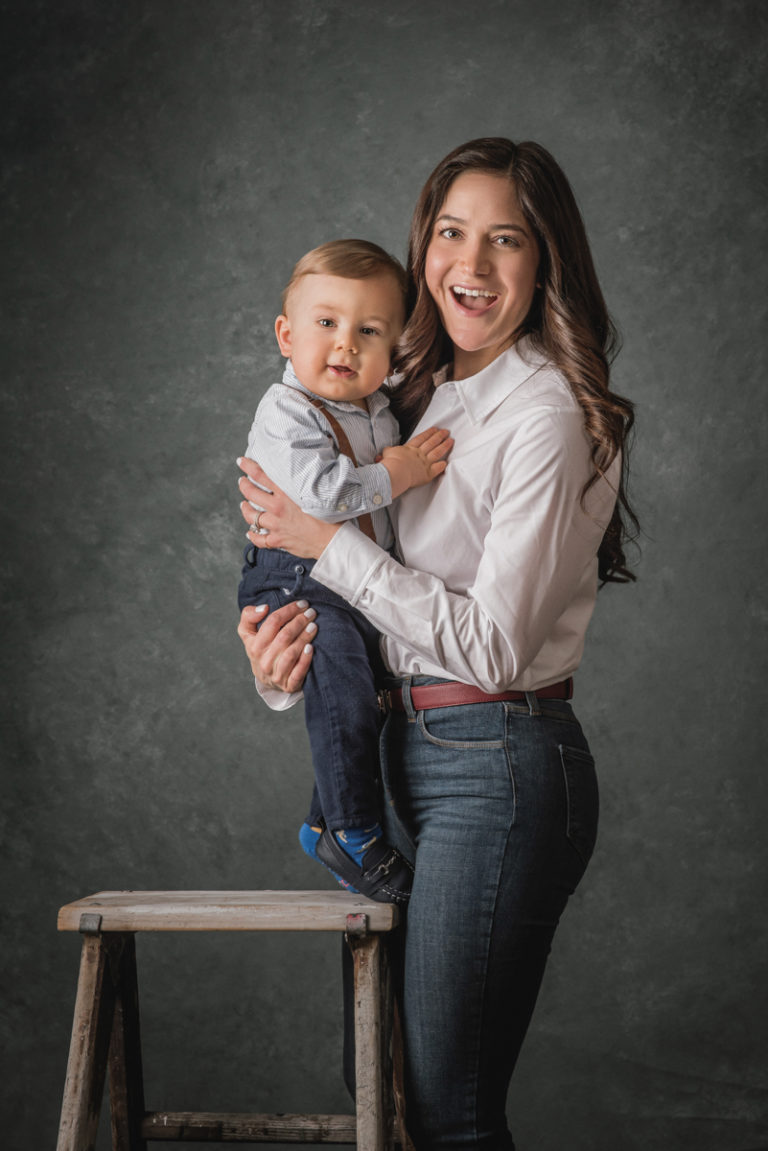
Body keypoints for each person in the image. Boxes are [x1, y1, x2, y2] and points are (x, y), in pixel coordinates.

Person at [236, 138, 637, 1150]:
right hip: (392, 752)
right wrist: (281, 659)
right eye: (452, 233)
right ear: (423, 249)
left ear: (544, 260)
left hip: (495, 763)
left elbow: (493, 647)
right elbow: (356, 604)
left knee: (443, 1113)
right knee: (385, 1100)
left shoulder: (542, 412)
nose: (473, 263)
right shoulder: (402, 392)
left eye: (507, 240)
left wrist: (325, 543)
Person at [237, 238, 452, 904]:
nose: (345, 345)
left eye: (369, 331)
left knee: (360, 698)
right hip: (295, 579)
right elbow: (324, 497)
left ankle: (322, 820)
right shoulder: (287, 411)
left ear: (393, 351)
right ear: (286, 334)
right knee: (346, 692)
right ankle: (355, 833)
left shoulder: (381, 411)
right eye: (326, 323)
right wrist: (399, 471)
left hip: (347, 580)